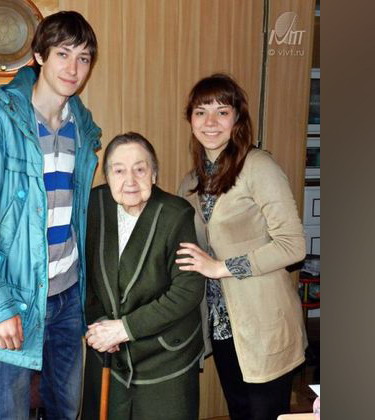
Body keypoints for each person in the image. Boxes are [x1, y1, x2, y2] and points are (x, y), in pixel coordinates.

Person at [0, 11, 101, 420]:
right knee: (8, 412)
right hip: (13, 296)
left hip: (68, 295)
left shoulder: (82, 128)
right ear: (40, 55)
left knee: (66, 409)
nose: (73, 68)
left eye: (84, 58)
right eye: (63, 54)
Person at [175, 74, 307, 420]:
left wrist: (221, 267)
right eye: (201, 112)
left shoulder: (258, 166)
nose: (211, 122)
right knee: (239, 412)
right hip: (221, 323)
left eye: (222, 111)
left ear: (237, 118)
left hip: (264, 322)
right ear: (190, 120)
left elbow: (293, 246)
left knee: (266, 413)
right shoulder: (191, 182)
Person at [81, 132, 205, 420]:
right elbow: (82, 275)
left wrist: (125, 329)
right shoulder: (93, 206)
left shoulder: (176, 214)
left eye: (140, 169)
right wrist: (101, 325)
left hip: (165, 354)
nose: (130, 181)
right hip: (109, 351)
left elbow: (187, 291)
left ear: (154, 174)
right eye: (119, 170)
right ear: (106, 176)